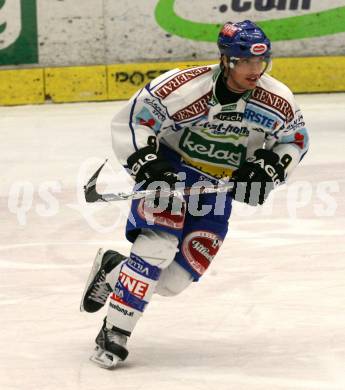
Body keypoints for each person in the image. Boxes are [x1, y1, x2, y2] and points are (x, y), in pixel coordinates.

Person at [80, 20, 309, 369]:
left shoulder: (277, 100)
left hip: (217, 189)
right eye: (245, 62)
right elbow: (135, 119)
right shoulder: (184, 89)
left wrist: (270, 169)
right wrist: (148, 163)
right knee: (155, 250)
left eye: (260, 63)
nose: (254, 70)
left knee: (172, 282)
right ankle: (115, 332)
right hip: (172, 174)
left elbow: (293, 140)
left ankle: (113, 270)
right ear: (226, 60)